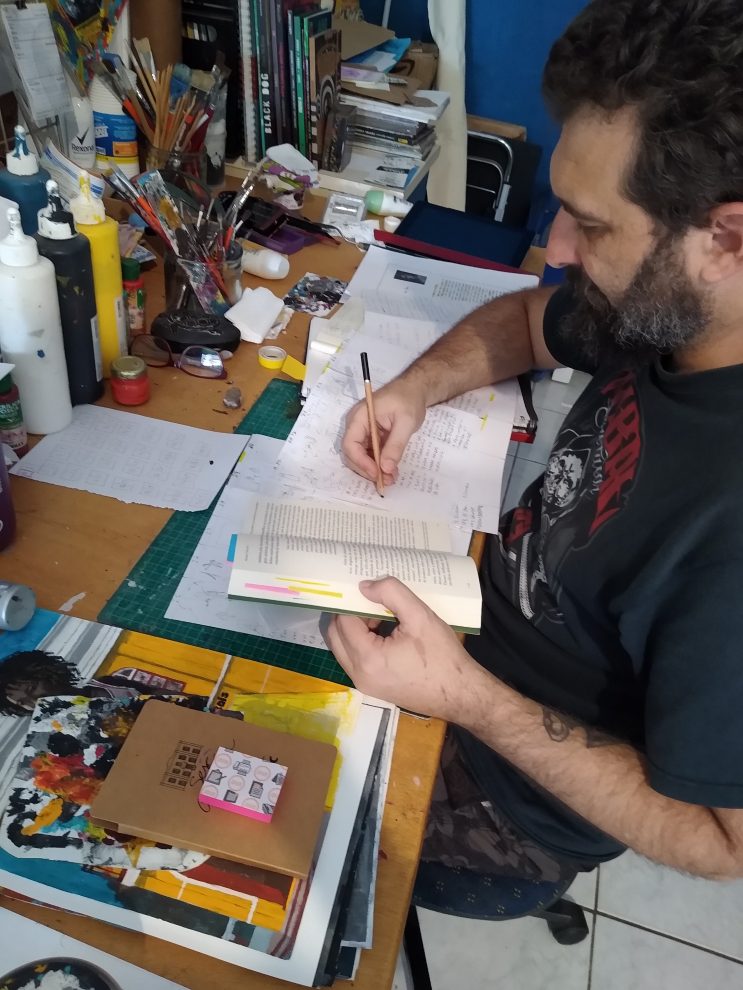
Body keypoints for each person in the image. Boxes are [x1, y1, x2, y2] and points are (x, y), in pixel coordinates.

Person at [327, 0, 743, 883]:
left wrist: (465, 697)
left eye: (589, 225)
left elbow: (721, 845)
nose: (556, 247)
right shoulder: (679, 310)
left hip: (510, 801)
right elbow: (526, 321)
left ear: (727, 239)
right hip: (460, 615)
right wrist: (414, 390)